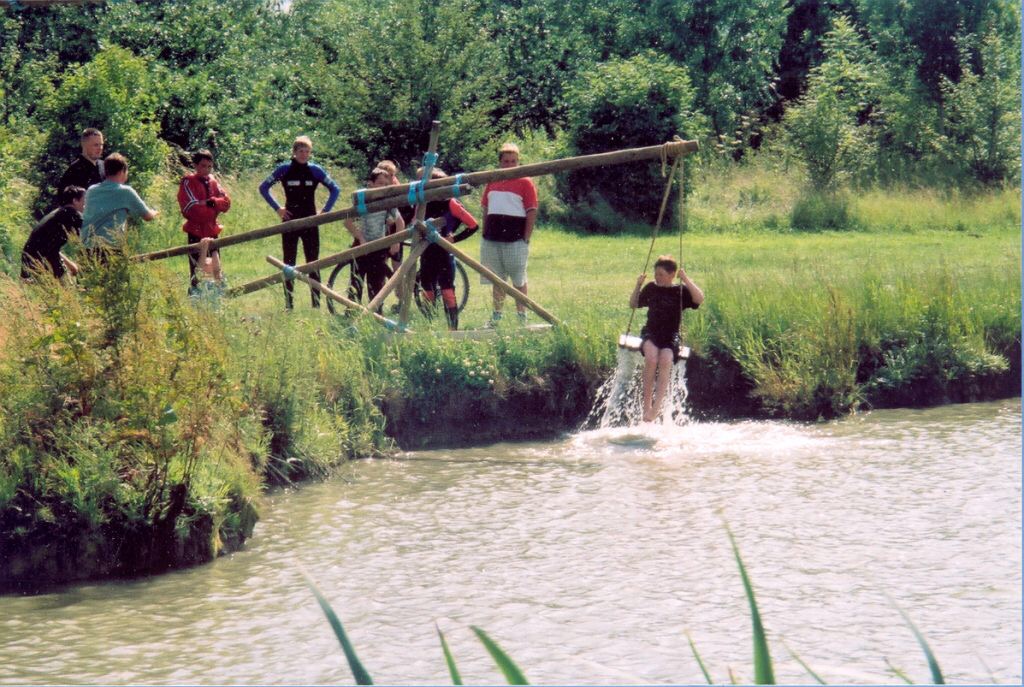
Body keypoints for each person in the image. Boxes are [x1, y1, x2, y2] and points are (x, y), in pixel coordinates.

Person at [259, 135, 341, 309]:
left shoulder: (315, 170)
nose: (304, 154)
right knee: (289, 263)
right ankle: (289, 305)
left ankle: (316, 305)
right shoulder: (284, 169)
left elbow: (335, 189)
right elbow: (263, 187)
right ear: (294, 152)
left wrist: (325, 212)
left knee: (313, 262)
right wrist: (278, 208)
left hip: (310, 221)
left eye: (307, 151)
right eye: (301, 151)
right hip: (290, 221)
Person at [629, 255, 705, 423]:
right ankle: (646, 407)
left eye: (661, 274)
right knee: (651, 357)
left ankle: (656, 409)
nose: (657, 277)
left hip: (671, 335)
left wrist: (686, 279)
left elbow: (699, 299)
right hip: (651, 332)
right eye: (656, 274)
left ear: (672, 275)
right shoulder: (651, 288)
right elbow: (633, 304)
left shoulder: (680, 291)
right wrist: (638, 285)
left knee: (665, 360)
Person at [479, 142, 537, 326]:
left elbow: (531, 210)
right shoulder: (493, 180)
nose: (510, 165)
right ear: (500, 162)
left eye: (513, 161)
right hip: (492, 237)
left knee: (518, 279)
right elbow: (486, 207)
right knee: (497, 279)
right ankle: (496, 317)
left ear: (518, 162)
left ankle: (522, 318)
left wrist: (526, 237)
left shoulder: (525, 181)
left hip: (515, 239)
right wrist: (484, 231)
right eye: (506, 161)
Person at [416, 167, 478, 330]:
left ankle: (453, 331)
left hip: (444, 253)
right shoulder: (422, 204)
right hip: (426, 252)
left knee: (447, 291)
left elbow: (473, 225)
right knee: (428, 292)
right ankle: (429, 329)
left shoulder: (451, 203)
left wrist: (454, 239)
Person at [344, 168, 404, 312]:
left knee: (376, 283)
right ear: (370, 183)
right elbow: (347, 222)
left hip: (379, 247)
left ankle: (376, 313)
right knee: (356, 282)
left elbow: (400, 222)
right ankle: (351, 313)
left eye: (386, 184)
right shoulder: (362, 199)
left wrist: (396, 241)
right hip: (361, 246)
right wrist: (361, 238)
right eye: (380, 183)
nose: (383, 187)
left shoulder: (387, 202)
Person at [80, 153, 158, 258]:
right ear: (122, 171)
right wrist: (154, 212)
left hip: (87, 247)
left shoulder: (91, 190)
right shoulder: (125, 191)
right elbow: (147, 216)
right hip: (110, 248)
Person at [178, 149, 231, 294]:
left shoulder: (213, 181)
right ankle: (196, 299)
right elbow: (191, 208)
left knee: (216, 269)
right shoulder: (188, 181)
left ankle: (217, 297)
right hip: (196, 232)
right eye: (203, 166)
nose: (206, 170)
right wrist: (214, 207)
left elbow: (226, 203)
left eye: (209, 166)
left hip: (212, 230)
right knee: (198, 271)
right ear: (195, 165)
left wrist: (210, 202)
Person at [20, 185, 85, 280]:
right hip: (40, 260)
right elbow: (89, 239)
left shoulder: (59, 212)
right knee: (61, 286)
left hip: (29, 257)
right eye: (84, 200)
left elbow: (48, 246)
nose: (86, 204)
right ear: (75, 200)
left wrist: (70, 265)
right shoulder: (72, 214)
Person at [57, 128, 104, 197]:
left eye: (101, 144)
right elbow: (64, 200)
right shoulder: (74, 171)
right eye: (96, 145)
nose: (100, 148)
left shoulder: (105, 166)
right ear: (84, 145)